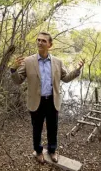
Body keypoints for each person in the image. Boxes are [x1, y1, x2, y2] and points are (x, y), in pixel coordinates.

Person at [10, 32, 85, 163]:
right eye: (38, 40)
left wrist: (77, 70)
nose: (39, 42)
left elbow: (66, 78)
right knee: (37, 128)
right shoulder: (28, 61)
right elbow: (18, 81)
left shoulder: (57, 62)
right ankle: (38, 151)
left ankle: (52, 150)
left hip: (52, 100)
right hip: (36, 101)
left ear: (50, 45)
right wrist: (13, 70)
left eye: (43, 41)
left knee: (53, 128)